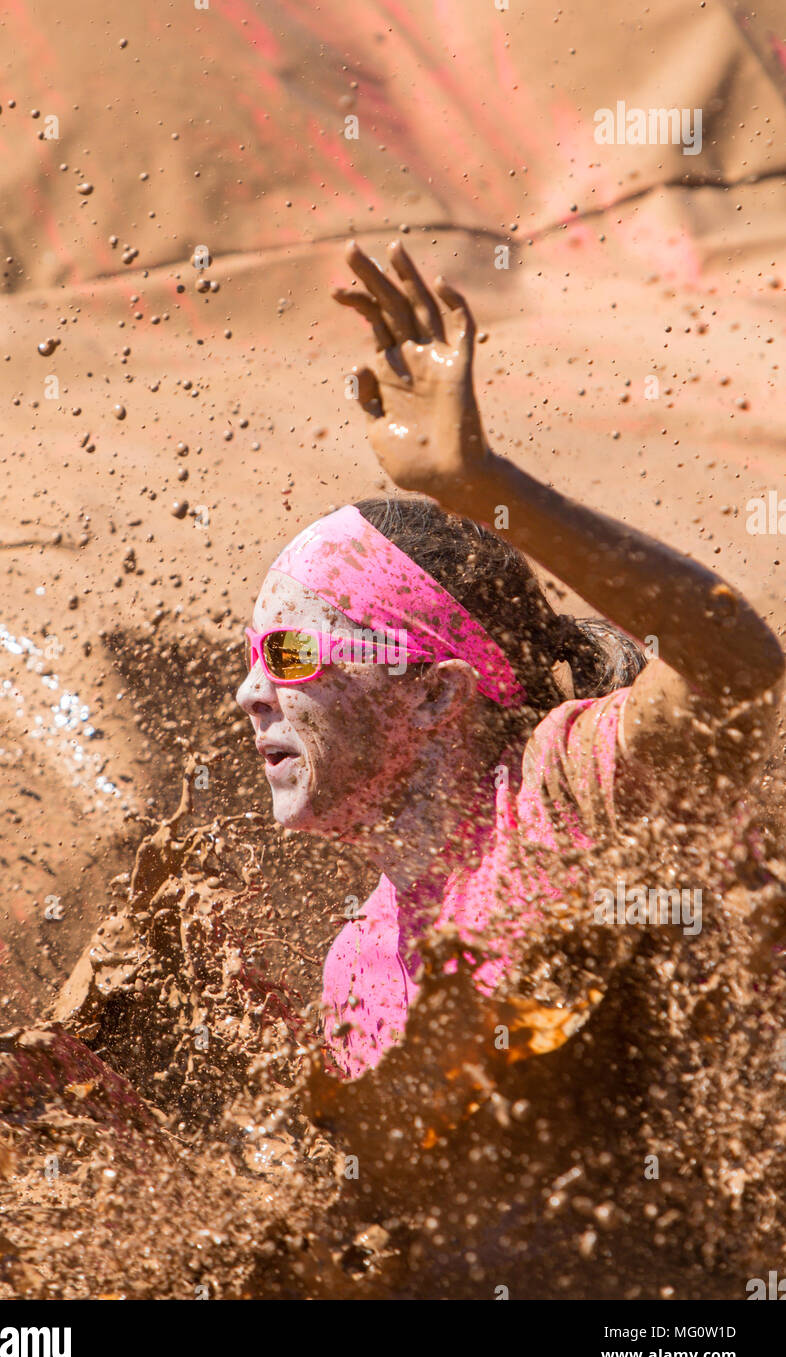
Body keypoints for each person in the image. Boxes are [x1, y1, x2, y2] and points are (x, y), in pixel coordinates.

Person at [235, 239, 784, 1110]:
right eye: (252, 659)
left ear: (435, 693)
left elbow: (738, 671)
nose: (250, 692)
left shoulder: (569, 788)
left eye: (290, 653)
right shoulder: (357, 964)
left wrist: (485, 486)